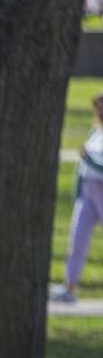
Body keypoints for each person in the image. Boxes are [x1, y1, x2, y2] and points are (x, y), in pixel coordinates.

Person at [52, 92, 103, 303]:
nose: (99, 111)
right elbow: (82, 166)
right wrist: (77, 193)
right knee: (77, 239)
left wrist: (88, 160)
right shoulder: (95, 131)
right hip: (88, 193)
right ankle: (70, 287)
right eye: (98, 107)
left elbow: (93, 162)